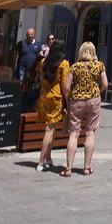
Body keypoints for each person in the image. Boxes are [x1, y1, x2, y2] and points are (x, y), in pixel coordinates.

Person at [61, 41, 107, 177]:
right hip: (93, 101)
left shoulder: (75, 67)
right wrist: (96, 91)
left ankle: (68, 168)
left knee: (74, 134)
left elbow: (66, 87)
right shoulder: (99, 66)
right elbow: (105, 83)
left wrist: (69, 99)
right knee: (90, 133)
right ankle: (86, 167)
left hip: (77, 101)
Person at [35, 40, 69, 172]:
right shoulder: (64, 64)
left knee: (51, 129)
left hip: (44, 98)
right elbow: (65, 86)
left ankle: (48, 158)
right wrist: (68, 101)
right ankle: (41, 162)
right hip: (56, 99)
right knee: (49, 131)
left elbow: (42, 79)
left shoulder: (44, 62)